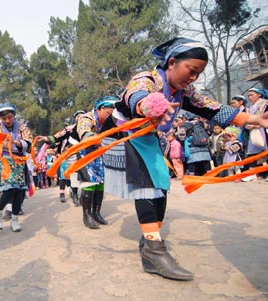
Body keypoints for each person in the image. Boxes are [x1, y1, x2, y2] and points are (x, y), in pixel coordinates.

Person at [101, 37, 268, 281]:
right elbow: (135, 97)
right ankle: (154, 249)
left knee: (161, 187)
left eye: (199, 74)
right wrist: (149, 105)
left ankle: (150, 239)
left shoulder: (184, 92)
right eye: (191, 70)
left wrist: (256, 120)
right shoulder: (146, 79)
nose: (193, 78)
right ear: (171, 62)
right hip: (125, 135)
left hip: (148, 138)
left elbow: (212, 109)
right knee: (147, 188)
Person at [74, 96, 117, 229]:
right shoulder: (86, 118)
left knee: (100, 184)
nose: (111, 117)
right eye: (109, 113)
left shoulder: (108, 123)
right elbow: (84, 132)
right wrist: (95, 138)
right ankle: (87, 215)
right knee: (89, 184)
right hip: (86, 154)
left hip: (100, 155)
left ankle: (96, 212)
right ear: (101, 108)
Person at [0, 103, 33, 232]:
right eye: (4, 119)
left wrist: (15, 142)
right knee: (9, 189)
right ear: (0, 119)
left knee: (20, 191)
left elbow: (30, 142)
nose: (7, 121)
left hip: (20, 160)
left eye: (9, 117)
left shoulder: (22, 127)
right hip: (5, 161)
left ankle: (14, 219)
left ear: (14, 115)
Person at [36, 109, 86, 206]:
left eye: (82, 115)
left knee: (86, 176)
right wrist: (47, 138)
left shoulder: (90, 127)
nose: (80, 117)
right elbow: (57, 137)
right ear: (75, 119)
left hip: (86, 154)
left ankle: (85, 195)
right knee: (74, 175)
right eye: (78, 116)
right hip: (72, 154)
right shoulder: (70, 128)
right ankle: (74, 194)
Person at [241, 88, 268, 182]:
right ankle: (252, 173)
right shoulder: (250, 107)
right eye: (248, 96)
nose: (249, 97)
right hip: (254, 132)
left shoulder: (265, 104)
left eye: (251, 95)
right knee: (252, 154)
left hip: (264, 130)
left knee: (266, 151)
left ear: (259, 95)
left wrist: (257, 124)